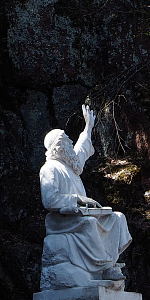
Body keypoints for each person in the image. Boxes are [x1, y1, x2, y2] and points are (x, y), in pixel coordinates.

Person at [39, 105, 132, 290]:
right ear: (58, 147)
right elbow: (49, 200)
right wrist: (78, 200)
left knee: (118, 218)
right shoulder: (49, 168)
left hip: (78, 215)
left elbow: (80, 151)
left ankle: (110, 263)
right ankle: (104, 267)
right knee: (89, 223)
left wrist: (88, 128)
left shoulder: (70, 165)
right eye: (66, 141)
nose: (70, 143)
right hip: (63, 219)